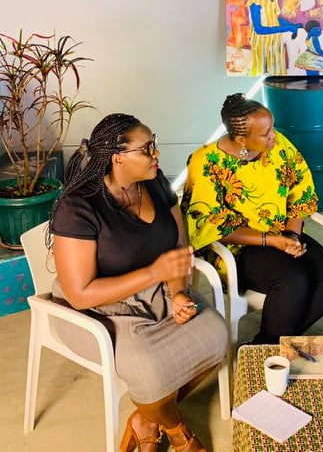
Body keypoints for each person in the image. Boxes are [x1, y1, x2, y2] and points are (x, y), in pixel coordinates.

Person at [49, 114, 227, 452]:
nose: (156, 154)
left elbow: (178, 247)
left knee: (214, 335)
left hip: (156, 292)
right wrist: (154, 273)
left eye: (154, 143)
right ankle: (178, 432)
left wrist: (176, 292)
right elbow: (80, 293)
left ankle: (146, 420)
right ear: (118, 158)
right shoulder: (78, 208)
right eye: (147, 149)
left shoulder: (156, 183)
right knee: (149, 370)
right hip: (99, 310)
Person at [182, 94, 323, 344]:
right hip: (238, 246)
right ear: (241, 139)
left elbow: (300, 192)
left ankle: (266, 344)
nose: (274, 137)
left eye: (272, 129)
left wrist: (291, 235)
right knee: (294, 280)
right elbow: (211, 225)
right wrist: (274, 241)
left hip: (281, 231)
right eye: (265, 133)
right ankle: (270, 346)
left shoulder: (279, 147)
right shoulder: (206, 162)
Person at [248, 0, 301, 75]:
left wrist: (291, 25)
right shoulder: (256, 1)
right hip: (262, 49)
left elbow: (275, 19)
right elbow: (259, 29)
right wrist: (286, 29)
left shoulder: (274, 1)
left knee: (279, 77)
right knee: (262, 74)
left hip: (275, 45)